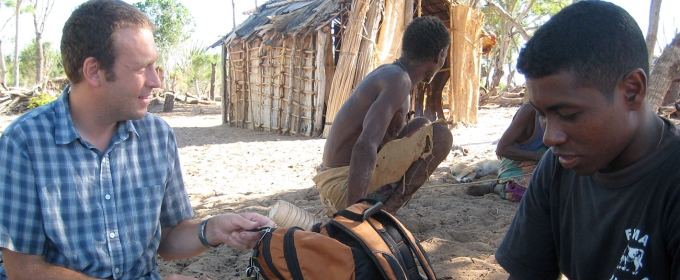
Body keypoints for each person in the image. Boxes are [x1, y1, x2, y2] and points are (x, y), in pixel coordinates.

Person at [0, 1, 274, 279]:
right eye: (141, 68)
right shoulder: (25, 142)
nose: (156, 81)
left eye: (156, 66)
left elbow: (168, 239)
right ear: (94, 71)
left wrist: (214, 229)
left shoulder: (156, 136)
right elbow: (24, 269)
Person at [495, 1, 680, 279]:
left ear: (632, 91)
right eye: (542, 114)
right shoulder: (558, 168)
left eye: (568, 114)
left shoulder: (672, 183)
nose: (550, 137)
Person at [313, 16, 454, 217]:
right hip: (342, 187)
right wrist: (352, 217)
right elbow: (366, 144)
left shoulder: (391, 73)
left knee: (421, 125)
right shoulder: (399, 80)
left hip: (334, 180)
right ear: (439, 56)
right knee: (441, 136)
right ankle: (383, 217)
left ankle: (375, 214)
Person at [466, 102, 548, 201]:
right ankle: (495, 187)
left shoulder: (563, 110)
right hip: (518, 163)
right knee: (527, 193)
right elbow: (502, 149)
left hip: (545, 163)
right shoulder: (529, 110)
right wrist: (539, 156)